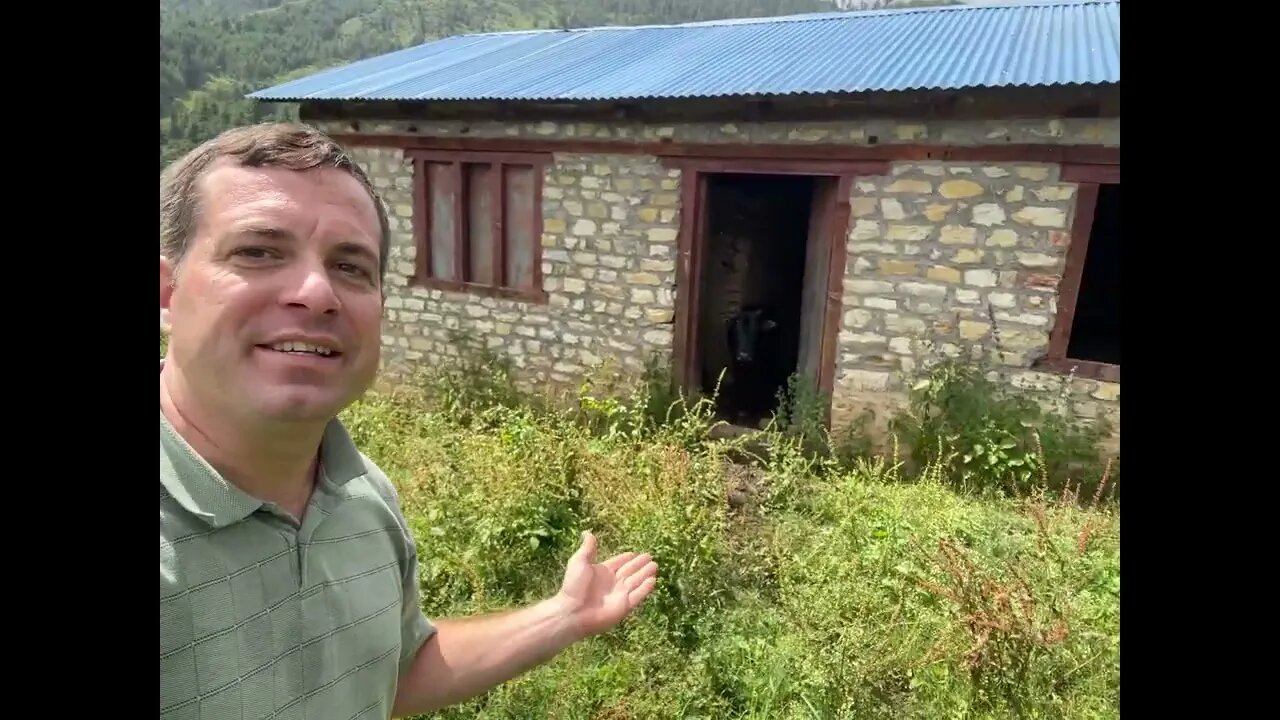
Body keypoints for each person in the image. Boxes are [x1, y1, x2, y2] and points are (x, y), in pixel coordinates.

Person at [159, 122, 659, 719]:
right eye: (259, 252)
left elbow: (394, 672)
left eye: (351, 267)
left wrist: (564, 614)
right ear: (167, 292)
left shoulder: (363, 494)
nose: (317, 292)